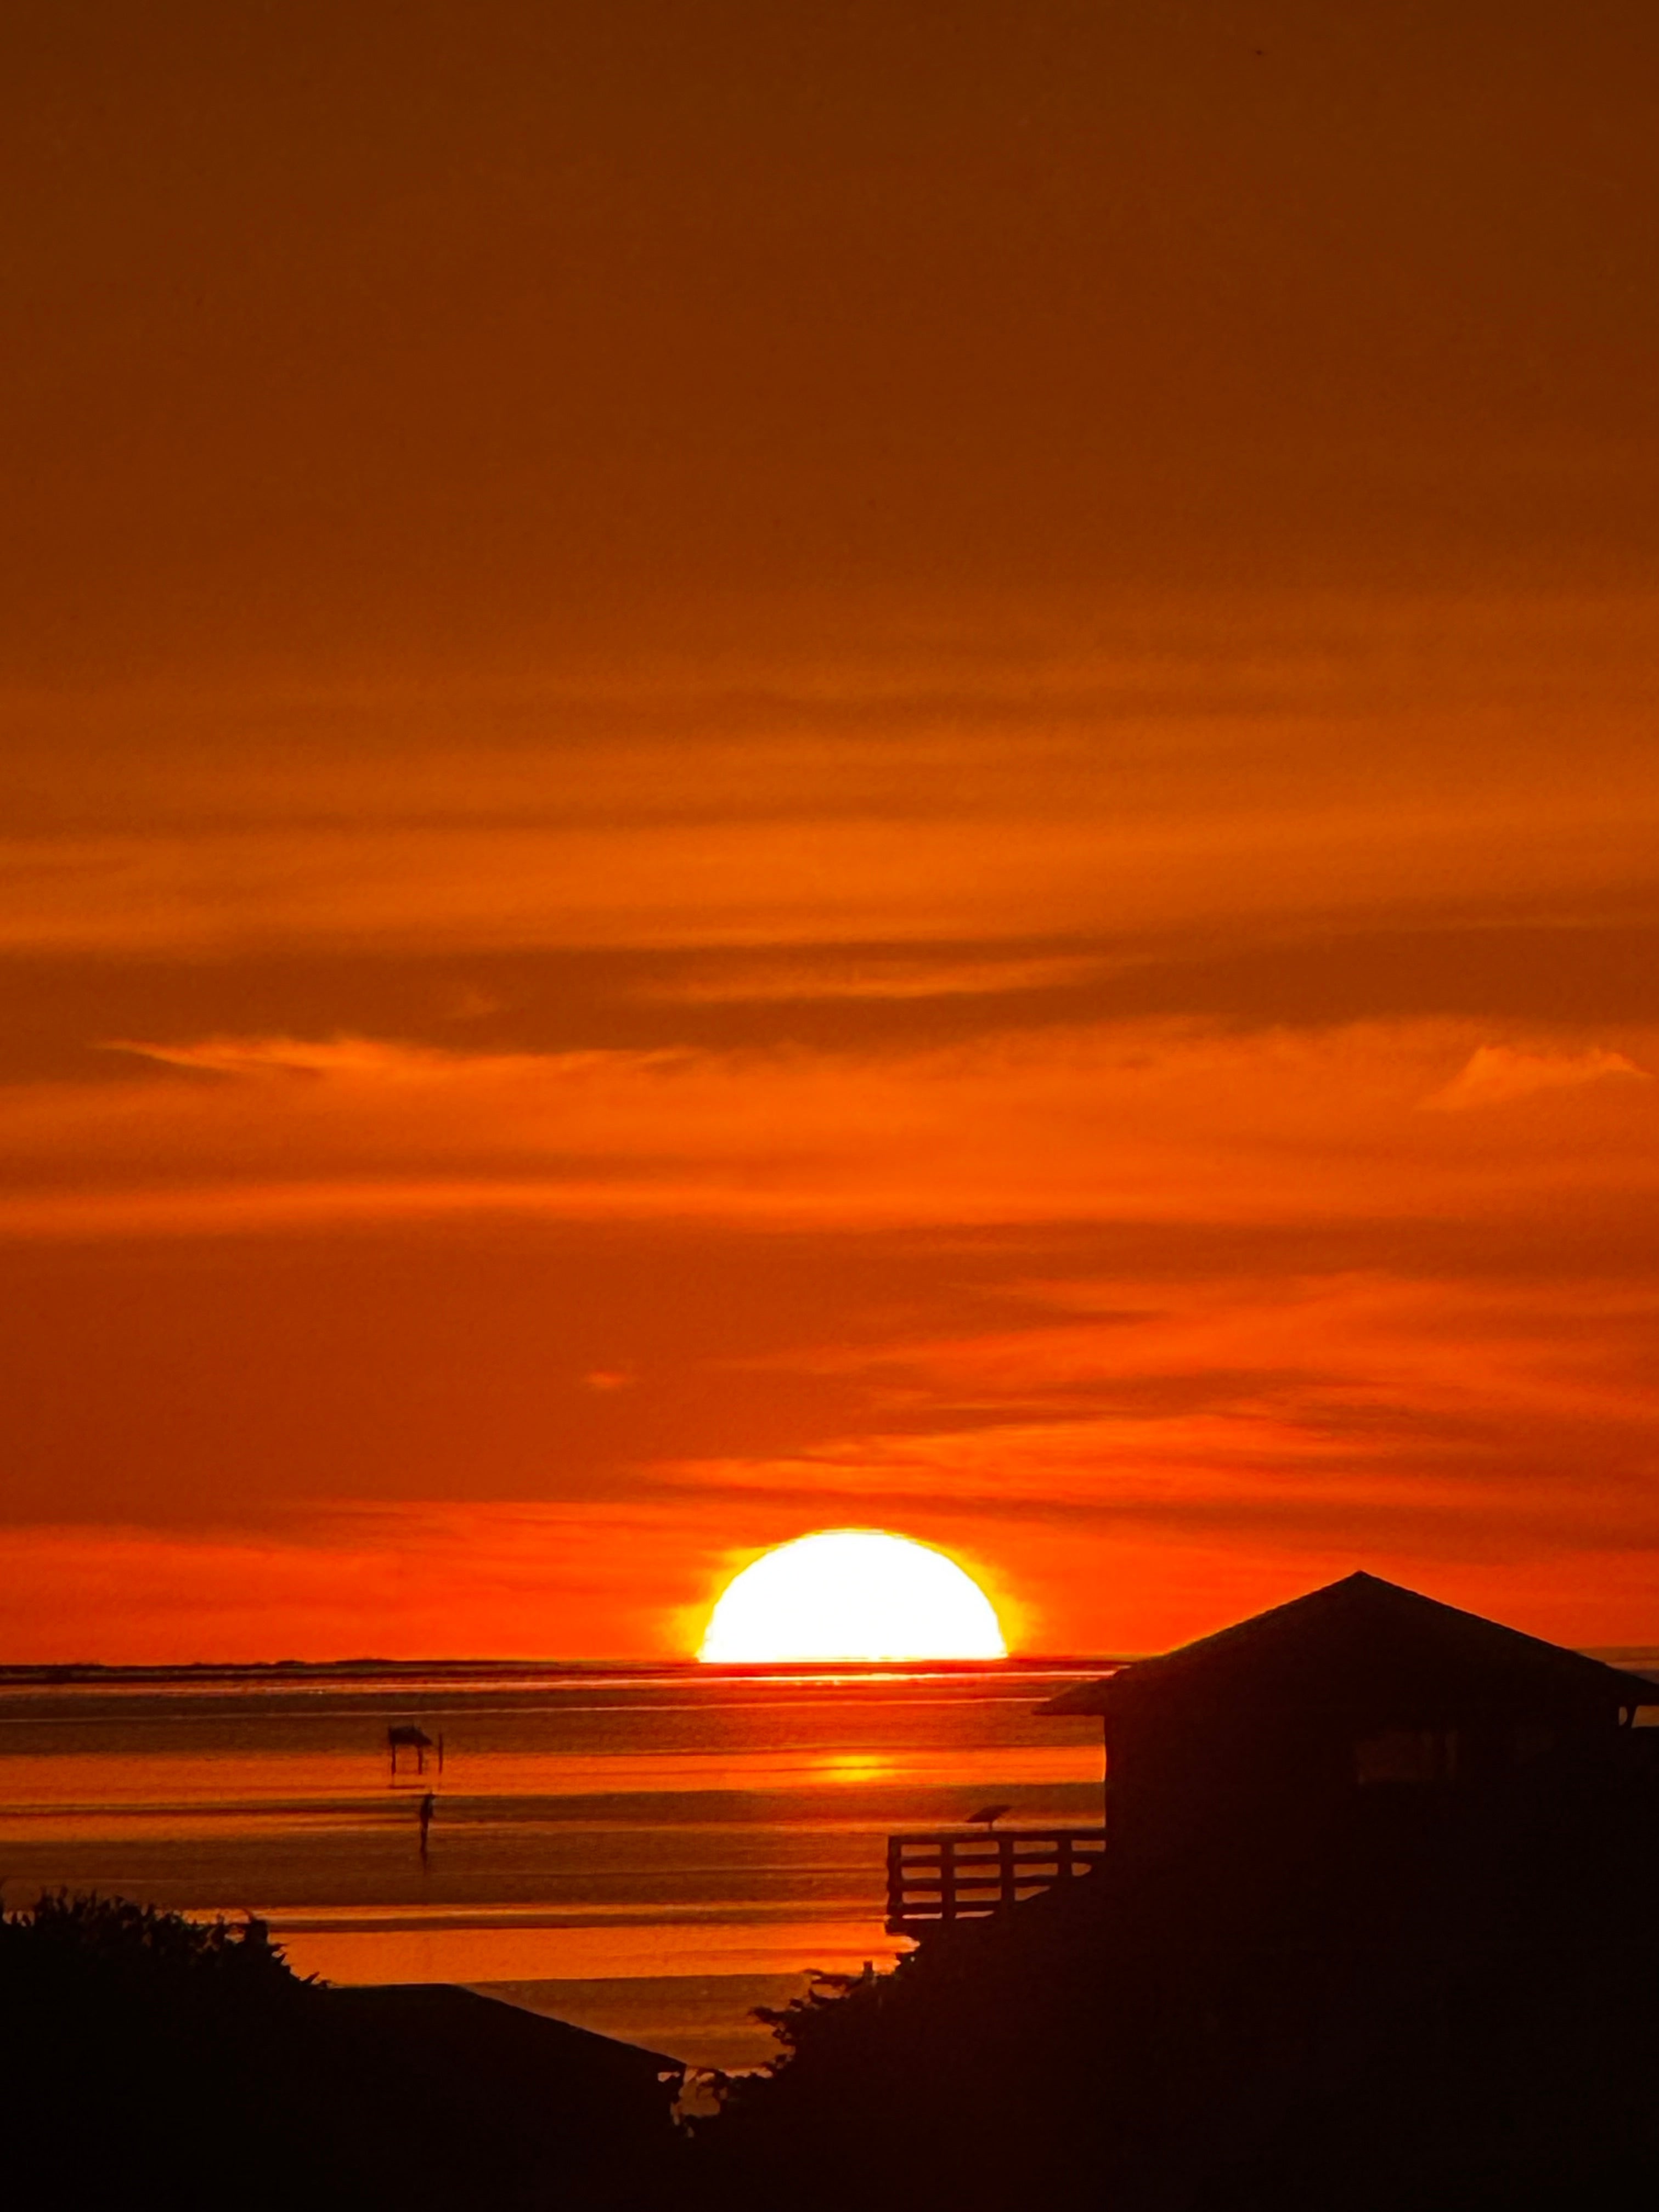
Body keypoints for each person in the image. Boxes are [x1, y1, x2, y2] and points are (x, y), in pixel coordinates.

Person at [417, 1791, 436, 1865]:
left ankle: (423, 1842)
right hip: (425, 1816)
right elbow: (429, 1810)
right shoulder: (428, 1802)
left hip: (423, 1816)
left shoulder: (425, 1802)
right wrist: (431, 1815)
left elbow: (426, 1810)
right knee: (425, 1828)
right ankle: (424, 1841)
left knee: (424, 1827)